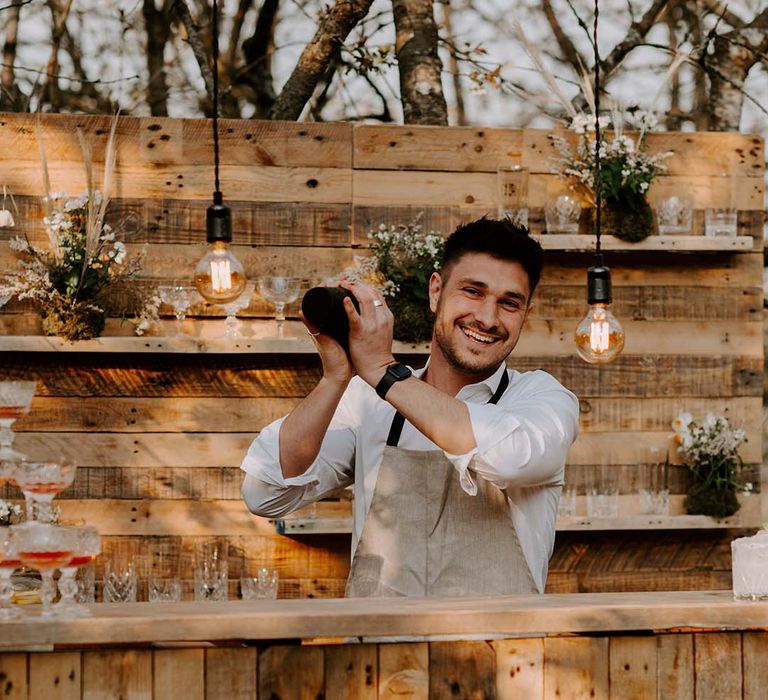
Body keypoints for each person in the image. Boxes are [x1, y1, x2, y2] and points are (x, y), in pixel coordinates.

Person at [241, 217, 579, 597]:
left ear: (526, 315)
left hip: (501, 650)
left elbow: (510, 458)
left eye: (509, 303)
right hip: (380, 653)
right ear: (436, 291)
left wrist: (384, 372)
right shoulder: (368, 401)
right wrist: (334, 379)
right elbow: (265, 494)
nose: (487, 317)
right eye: (472, 291)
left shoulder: (542, 399)